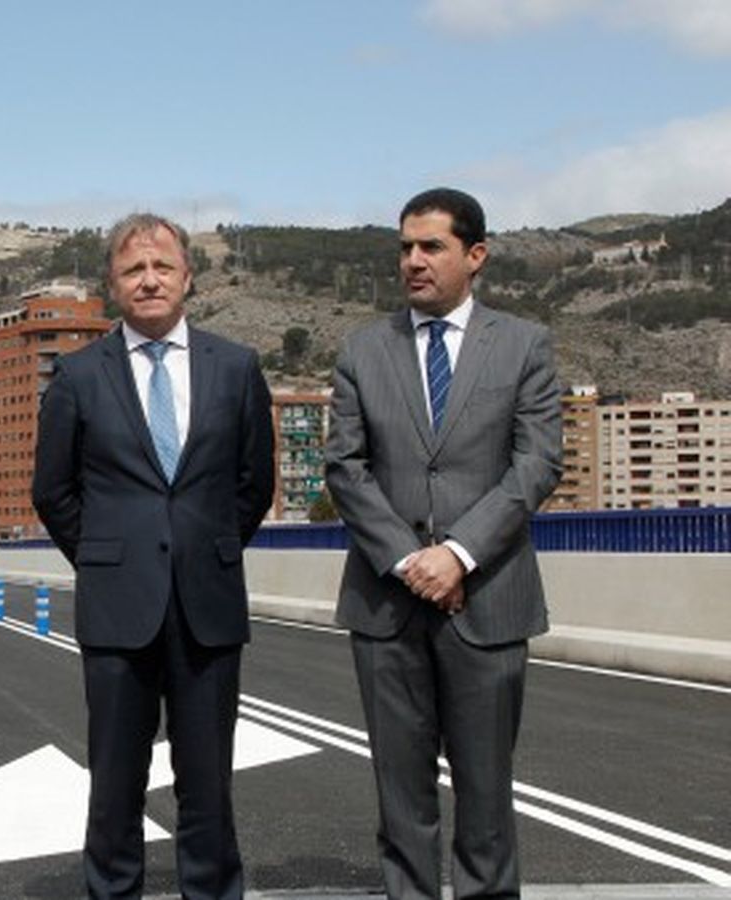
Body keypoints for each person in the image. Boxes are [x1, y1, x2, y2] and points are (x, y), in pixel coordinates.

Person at [326, 187, 562, 899]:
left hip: (486, 602)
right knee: (402, 800)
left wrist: (457, 554)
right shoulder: (364, 350)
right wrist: (407, 559)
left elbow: (536, 465)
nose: (413, 261)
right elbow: (344, 466)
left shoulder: (524, 345)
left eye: (431, 247)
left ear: (475, 255)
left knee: (486, 799)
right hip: (386, 603)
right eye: (404, 248)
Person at [32, 213, 275, 900]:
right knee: (115, 784)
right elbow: (53, 490)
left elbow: (254, 484)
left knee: (209, 784)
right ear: (112, 285)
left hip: (209, 603)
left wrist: (209, 550)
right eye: (133, 269)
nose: (149, 279)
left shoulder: (236, 367)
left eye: (162, 266)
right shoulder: (79, 376)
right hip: (117, 609)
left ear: (188, 277)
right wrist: (107, 559)